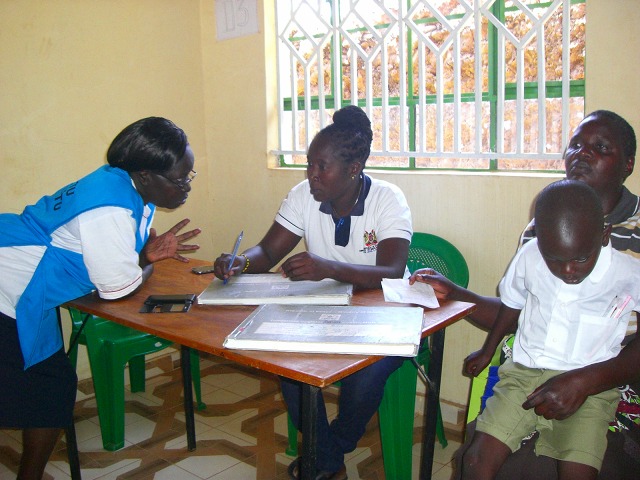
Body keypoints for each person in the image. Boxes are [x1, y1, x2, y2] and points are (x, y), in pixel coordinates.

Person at [410, 109, 640, 478]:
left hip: (614, 380)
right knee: (478, 459)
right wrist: (455, 294)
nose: (582, 154)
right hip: (531, 368)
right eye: (575, 145)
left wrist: (586, 381)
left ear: (628, 164)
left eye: (600, 147)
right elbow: (522, 307)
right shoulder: (543, 226)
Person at [213, 105, 413, 480]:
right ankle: (329, 460)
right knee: (287, 363)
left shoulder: (388, 199)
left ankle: (329, 449)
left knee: (366, 374)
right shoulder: (303, 196)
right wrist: (241, 261)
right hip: (326, 308)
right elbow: (267, 251)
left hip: (385, 312)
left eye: (322, 166)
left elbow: (391, 272)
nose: (312, 175)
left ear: (354, 169)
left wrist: (329, 267)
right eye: (309, 164)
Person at [0, 117, 201, 479]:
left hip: (30, 290)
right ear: (145, 175)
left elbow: (116, 262)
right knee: (48, 389)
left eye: (190, 175)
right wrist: (147, 263)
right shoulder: (110, 207)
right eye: (180, 179)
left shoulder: (124, 187)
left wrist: (143, 258)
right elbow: (117, 290)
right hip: (10, 283)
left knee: (51, 388)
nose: (187, 186)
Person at [461, 179, 640, 480]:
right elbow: (512, 304)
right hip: (523, 375)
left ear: (605, 234)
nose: (568, 271)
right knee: (475, 461)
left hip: (590, 389)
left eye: (580, 258)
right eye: (554, 259)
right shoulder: (530, 256)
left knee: (579, 471)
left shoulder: (628, 273)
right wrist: (487, 350)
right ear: (539, 239)